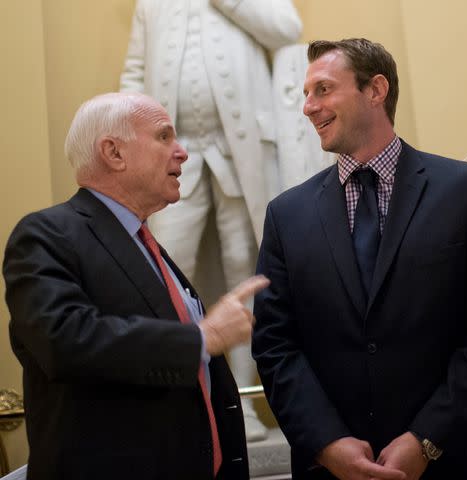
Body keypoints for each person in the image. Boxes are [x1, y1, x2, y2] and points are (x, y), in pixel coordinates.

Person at [252, 38, 467, 480]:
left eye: (322, 89)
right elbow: (275, 346)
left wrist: (426, 439)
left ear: (375, 90)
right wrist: (327, 443)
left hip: (457, 459)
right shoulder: (286, 215)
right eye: (305, 94)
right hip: (334, 468)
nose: (308, 107)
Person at [3, 92, 269, 480]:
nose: (182, 152)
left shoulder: (145, 243)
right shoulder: (46, 235)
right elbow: (63, 339)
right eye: (164, 137)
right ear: (114, 153)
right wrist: (202, 338)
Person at [119, 0, 301, 440]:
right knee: (164, 264)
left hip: (243, 153)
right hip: (177, 156)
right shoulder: (151, 6)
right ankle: (176, 397)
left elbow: (287, 30)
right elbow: (135, 72)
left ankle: (244, 399)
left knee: (245, 266)